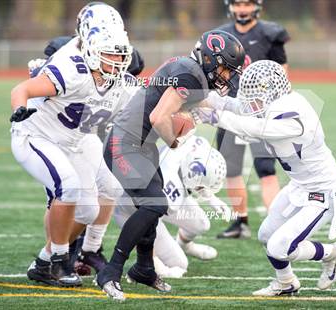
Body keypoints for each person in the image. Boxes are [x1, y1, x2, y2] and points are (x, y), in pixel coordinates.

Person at [97, 30, 245, 301]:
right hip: (125, 143)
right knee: (154, 205)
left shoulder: (190, 70)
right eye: (224, 68)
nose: (225, 76)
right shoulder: (191, 74)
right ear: (210, 59)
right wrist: (175, 142)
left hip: (139, 145)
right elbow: (159, 116)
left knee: (152, 206)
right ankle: (111, 270)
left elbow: (208, 102)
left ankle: (144, 268)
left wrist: (244, 108)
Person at [192, 60, 336, 296]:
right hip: (299, 186)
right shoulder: (272, 102)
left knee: (279, 246)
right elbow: (238, 106)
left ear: (271, 92)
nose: (250, 101)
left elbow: (256, 129)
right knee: (266, 235)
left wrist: (214, 117)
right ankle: (286, 283)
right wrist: (197, 94)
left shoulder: (295, 114)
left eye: (255, 95)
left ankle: (332, 252)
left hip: (323, 191)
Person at [10, 2, 133, 286]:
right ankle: (59, 262)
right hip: (36, 134)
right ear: (89, 43)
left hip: (73, 139)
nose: (116, 60)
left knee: (88, 210)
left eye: (118, 52)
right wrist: (19, 109)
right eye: (108, 53)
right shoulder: (72, 67)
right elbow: (22, 89)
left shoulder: (114, 75)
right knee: (67, 185)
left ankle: (43, 261)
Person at [215, 0, 289, 239]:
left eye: (247, 3)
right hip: (230, 109)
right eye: (238, 3)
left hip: (261, 111)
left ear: (256, 6)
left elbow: (283, 74)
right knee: (232, 169)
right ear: (230, 6)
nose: (242, 9)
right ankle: (240, 222)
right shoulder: (221, 35)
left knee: (265, 168)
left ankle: (276, 224)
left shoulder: (270, 34)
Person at [114, 135, 230, 278]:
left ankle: (185, 244)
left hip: (159, 198)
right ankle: (146, 264)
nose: (202, 189)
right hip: (132, 211)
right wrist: (153, 262)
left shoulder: (193, 145)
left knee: (202, 224)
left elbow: (192, 177)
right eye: (201, 186)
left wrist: (212, 198)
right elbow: (146, 225)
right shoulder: (171, 189)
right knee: (179, 265)